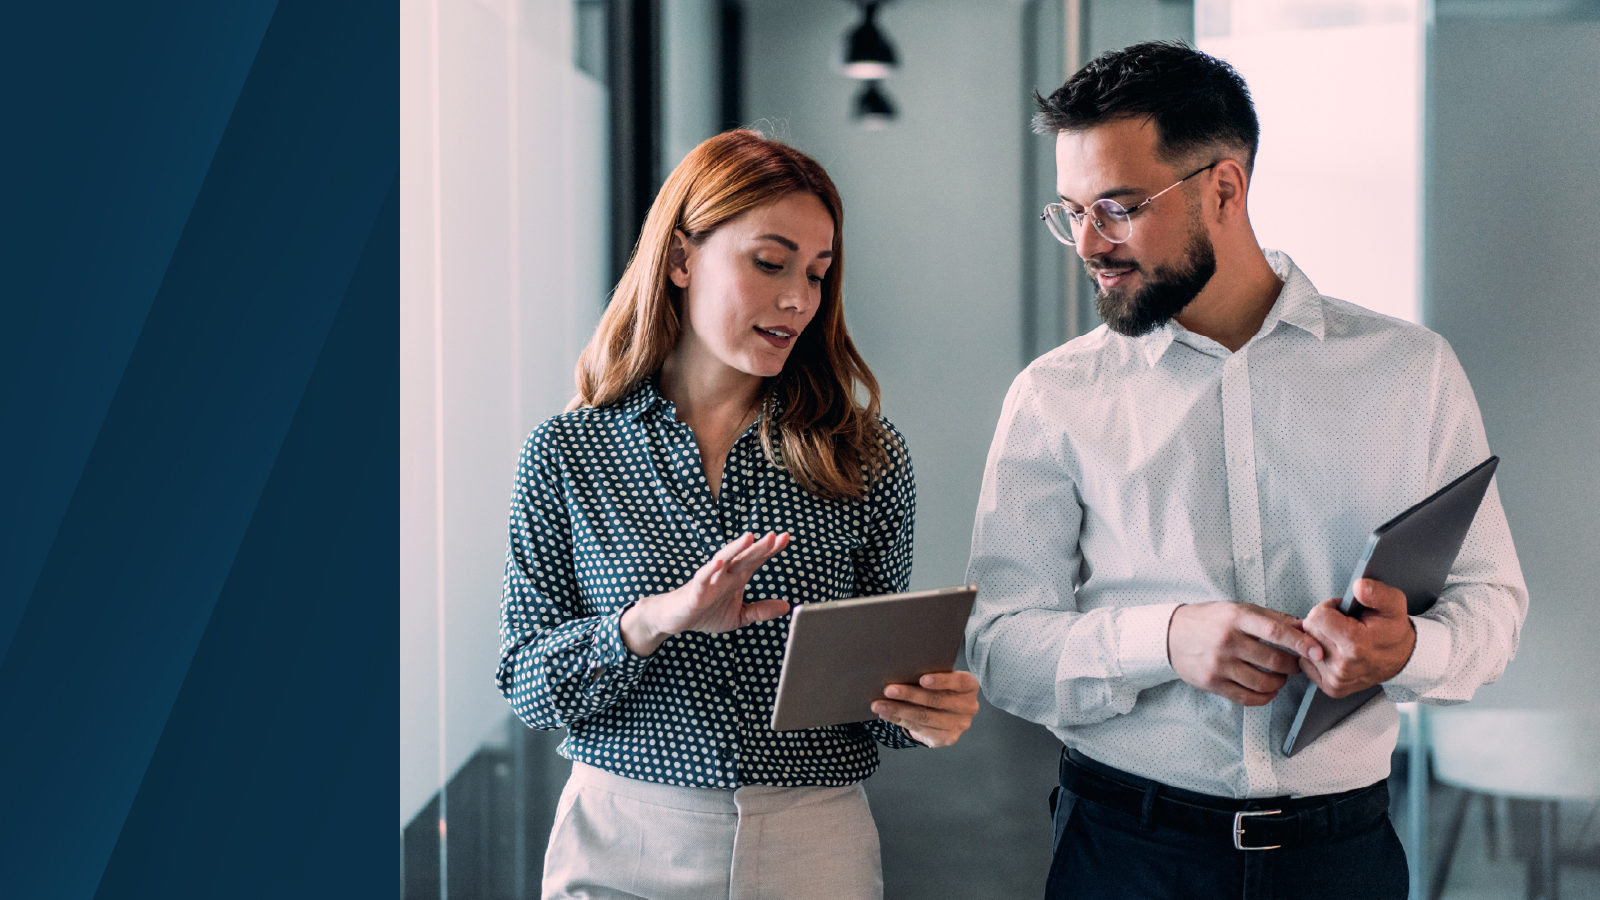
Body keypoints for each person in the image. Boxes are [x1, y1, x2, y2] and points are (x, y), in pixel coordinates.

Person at [965, 42, 1527, 900]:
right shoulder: (1055, 395)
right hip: (1126, 852)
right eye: (1071, 210)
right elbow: (1000, 645)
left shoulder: (1410, 371)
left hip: (1345, 855)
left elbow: (1492, 603)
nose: (1087, 243)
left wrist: (1407, 648)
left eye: (1116, 207)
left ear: (1224, 189)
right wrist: (1165, 640)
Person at [496, 129, 980, 900]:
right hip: (623, 838)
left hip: (812, 842)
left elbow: (880, 701)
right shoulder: (569, 452)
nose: (798, 298)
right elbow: (527, 684)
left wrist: (926, 710)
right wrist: (653, 620)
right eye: (770, 262)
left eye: (818, 274)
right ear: (682, 259)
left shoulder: (864, 454)